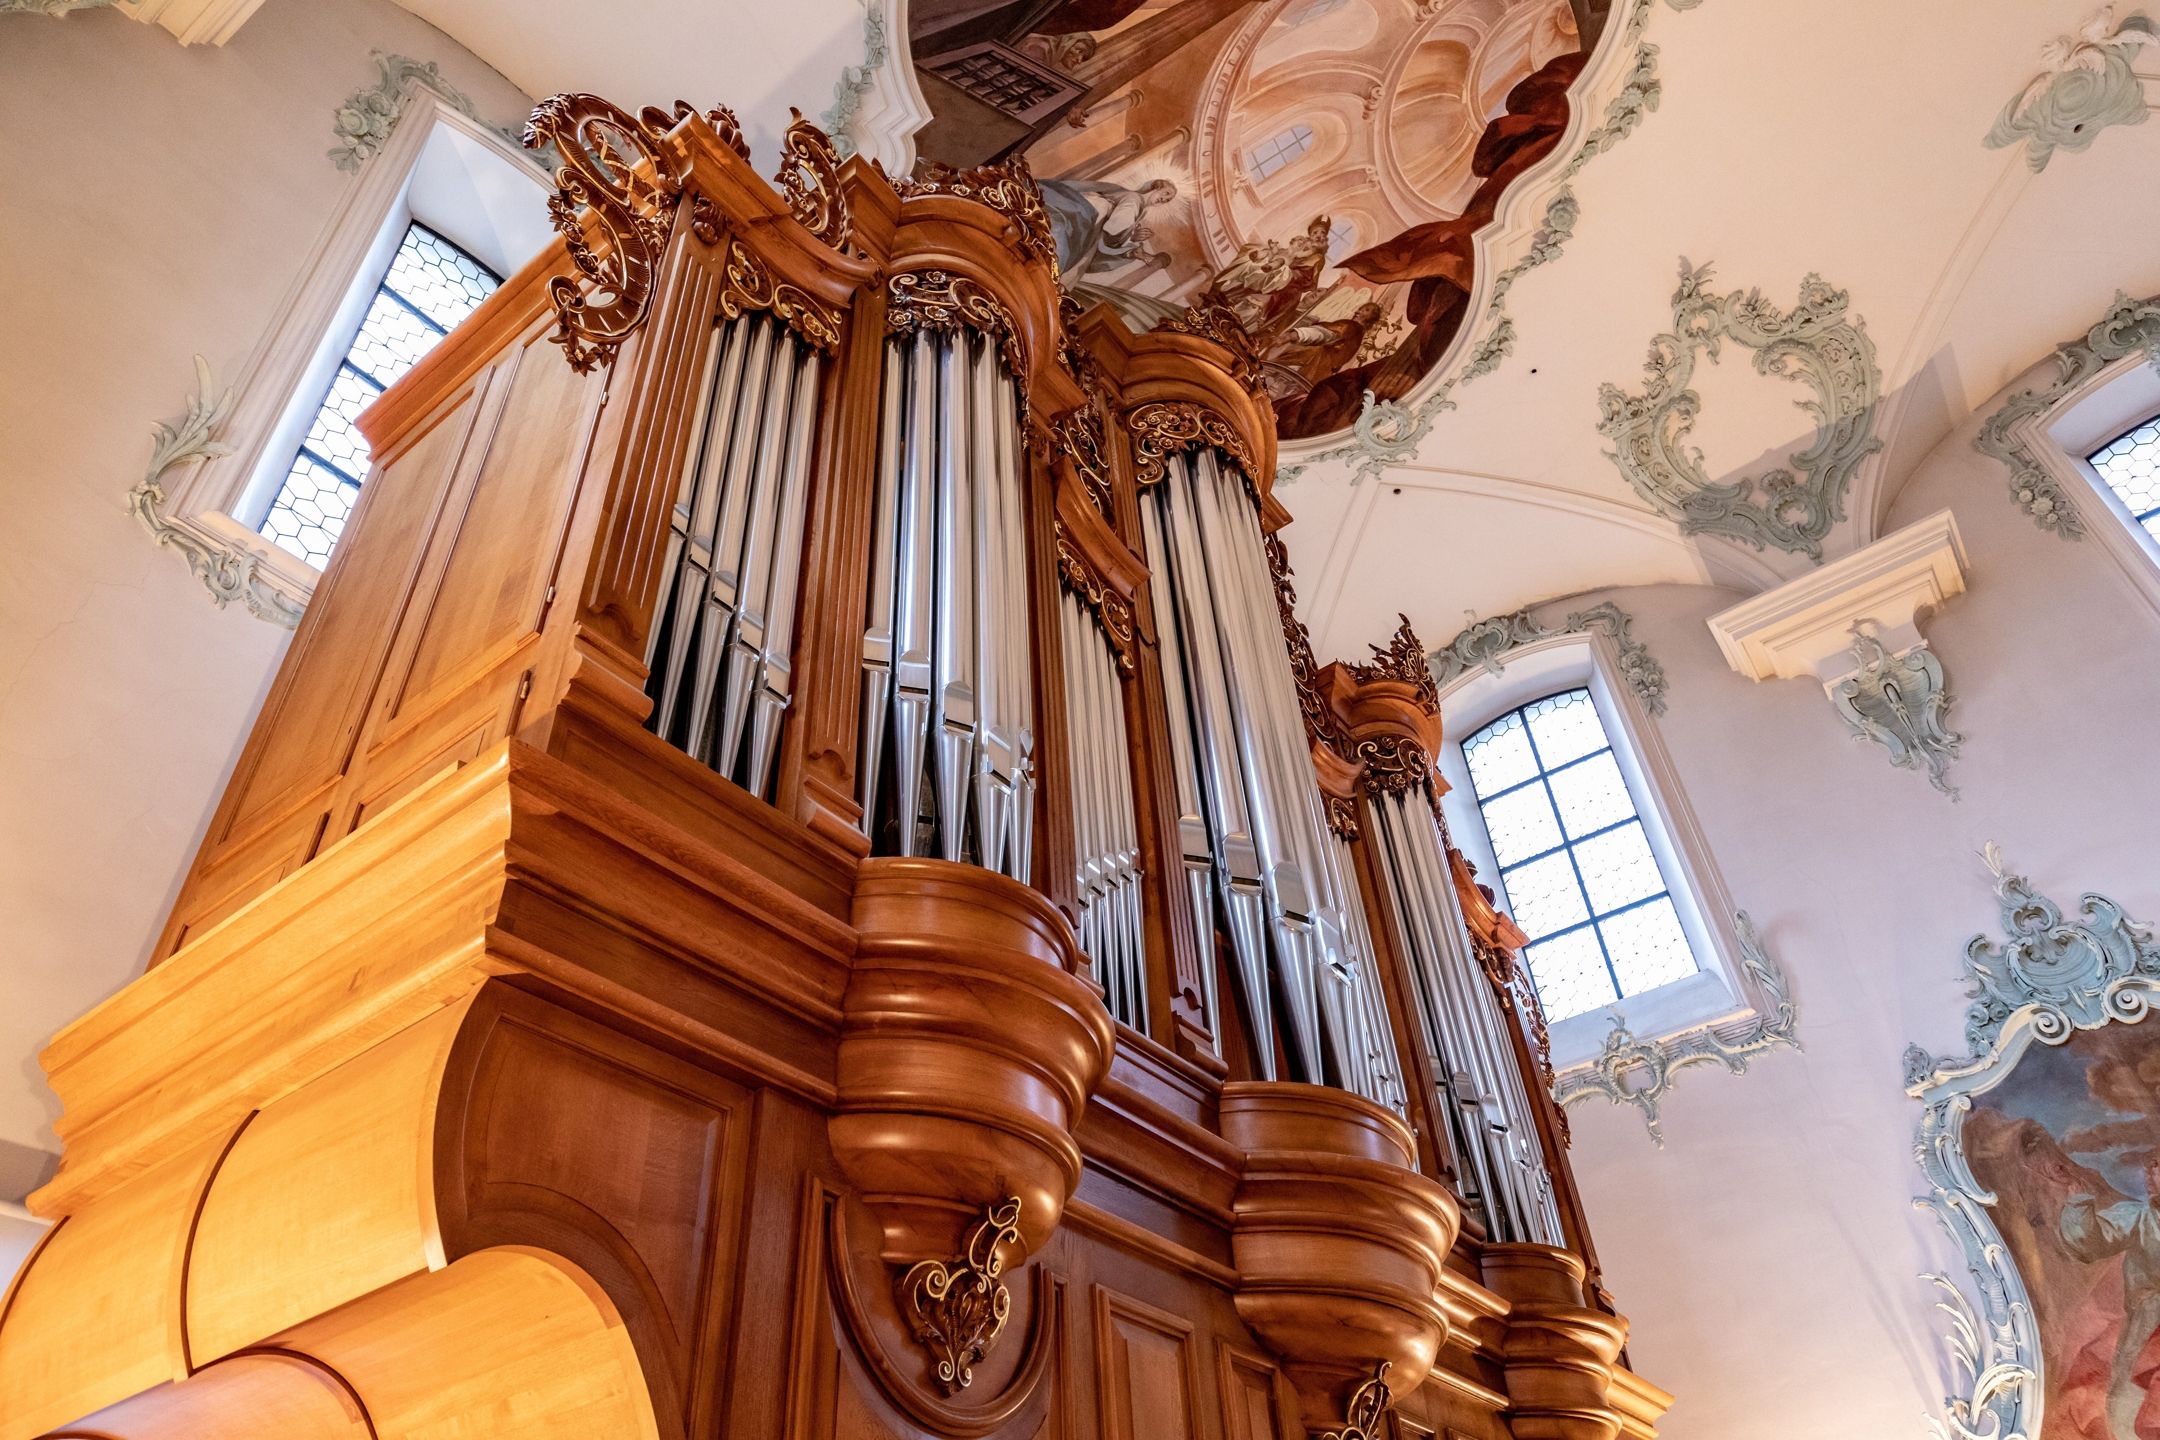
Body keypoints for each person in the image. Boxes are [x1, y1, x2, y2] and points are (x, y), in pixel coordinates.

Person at [2047, 1151, 2160, 1440]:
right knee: (2129, 1401)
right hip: (2150, 1324)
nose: (2151, 1175)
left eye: (2158, 1168)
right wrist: (2078, 1198)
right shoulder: (2140, 1218)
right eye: (2152, 1168)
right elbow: (2089, 1242)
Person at [1037, 176, 1177, 282]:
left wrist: (1130, 248)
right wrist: (1131, 241)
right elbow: (1114, 230)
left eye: (1168, 200)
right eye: (1166, 193)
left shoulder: (1139, 210)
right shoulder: (1134, 199)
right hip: (1091, 214)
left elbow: (1110, 238)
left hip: (1092, 222)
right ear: (1156, 187)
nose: (1165, 199)